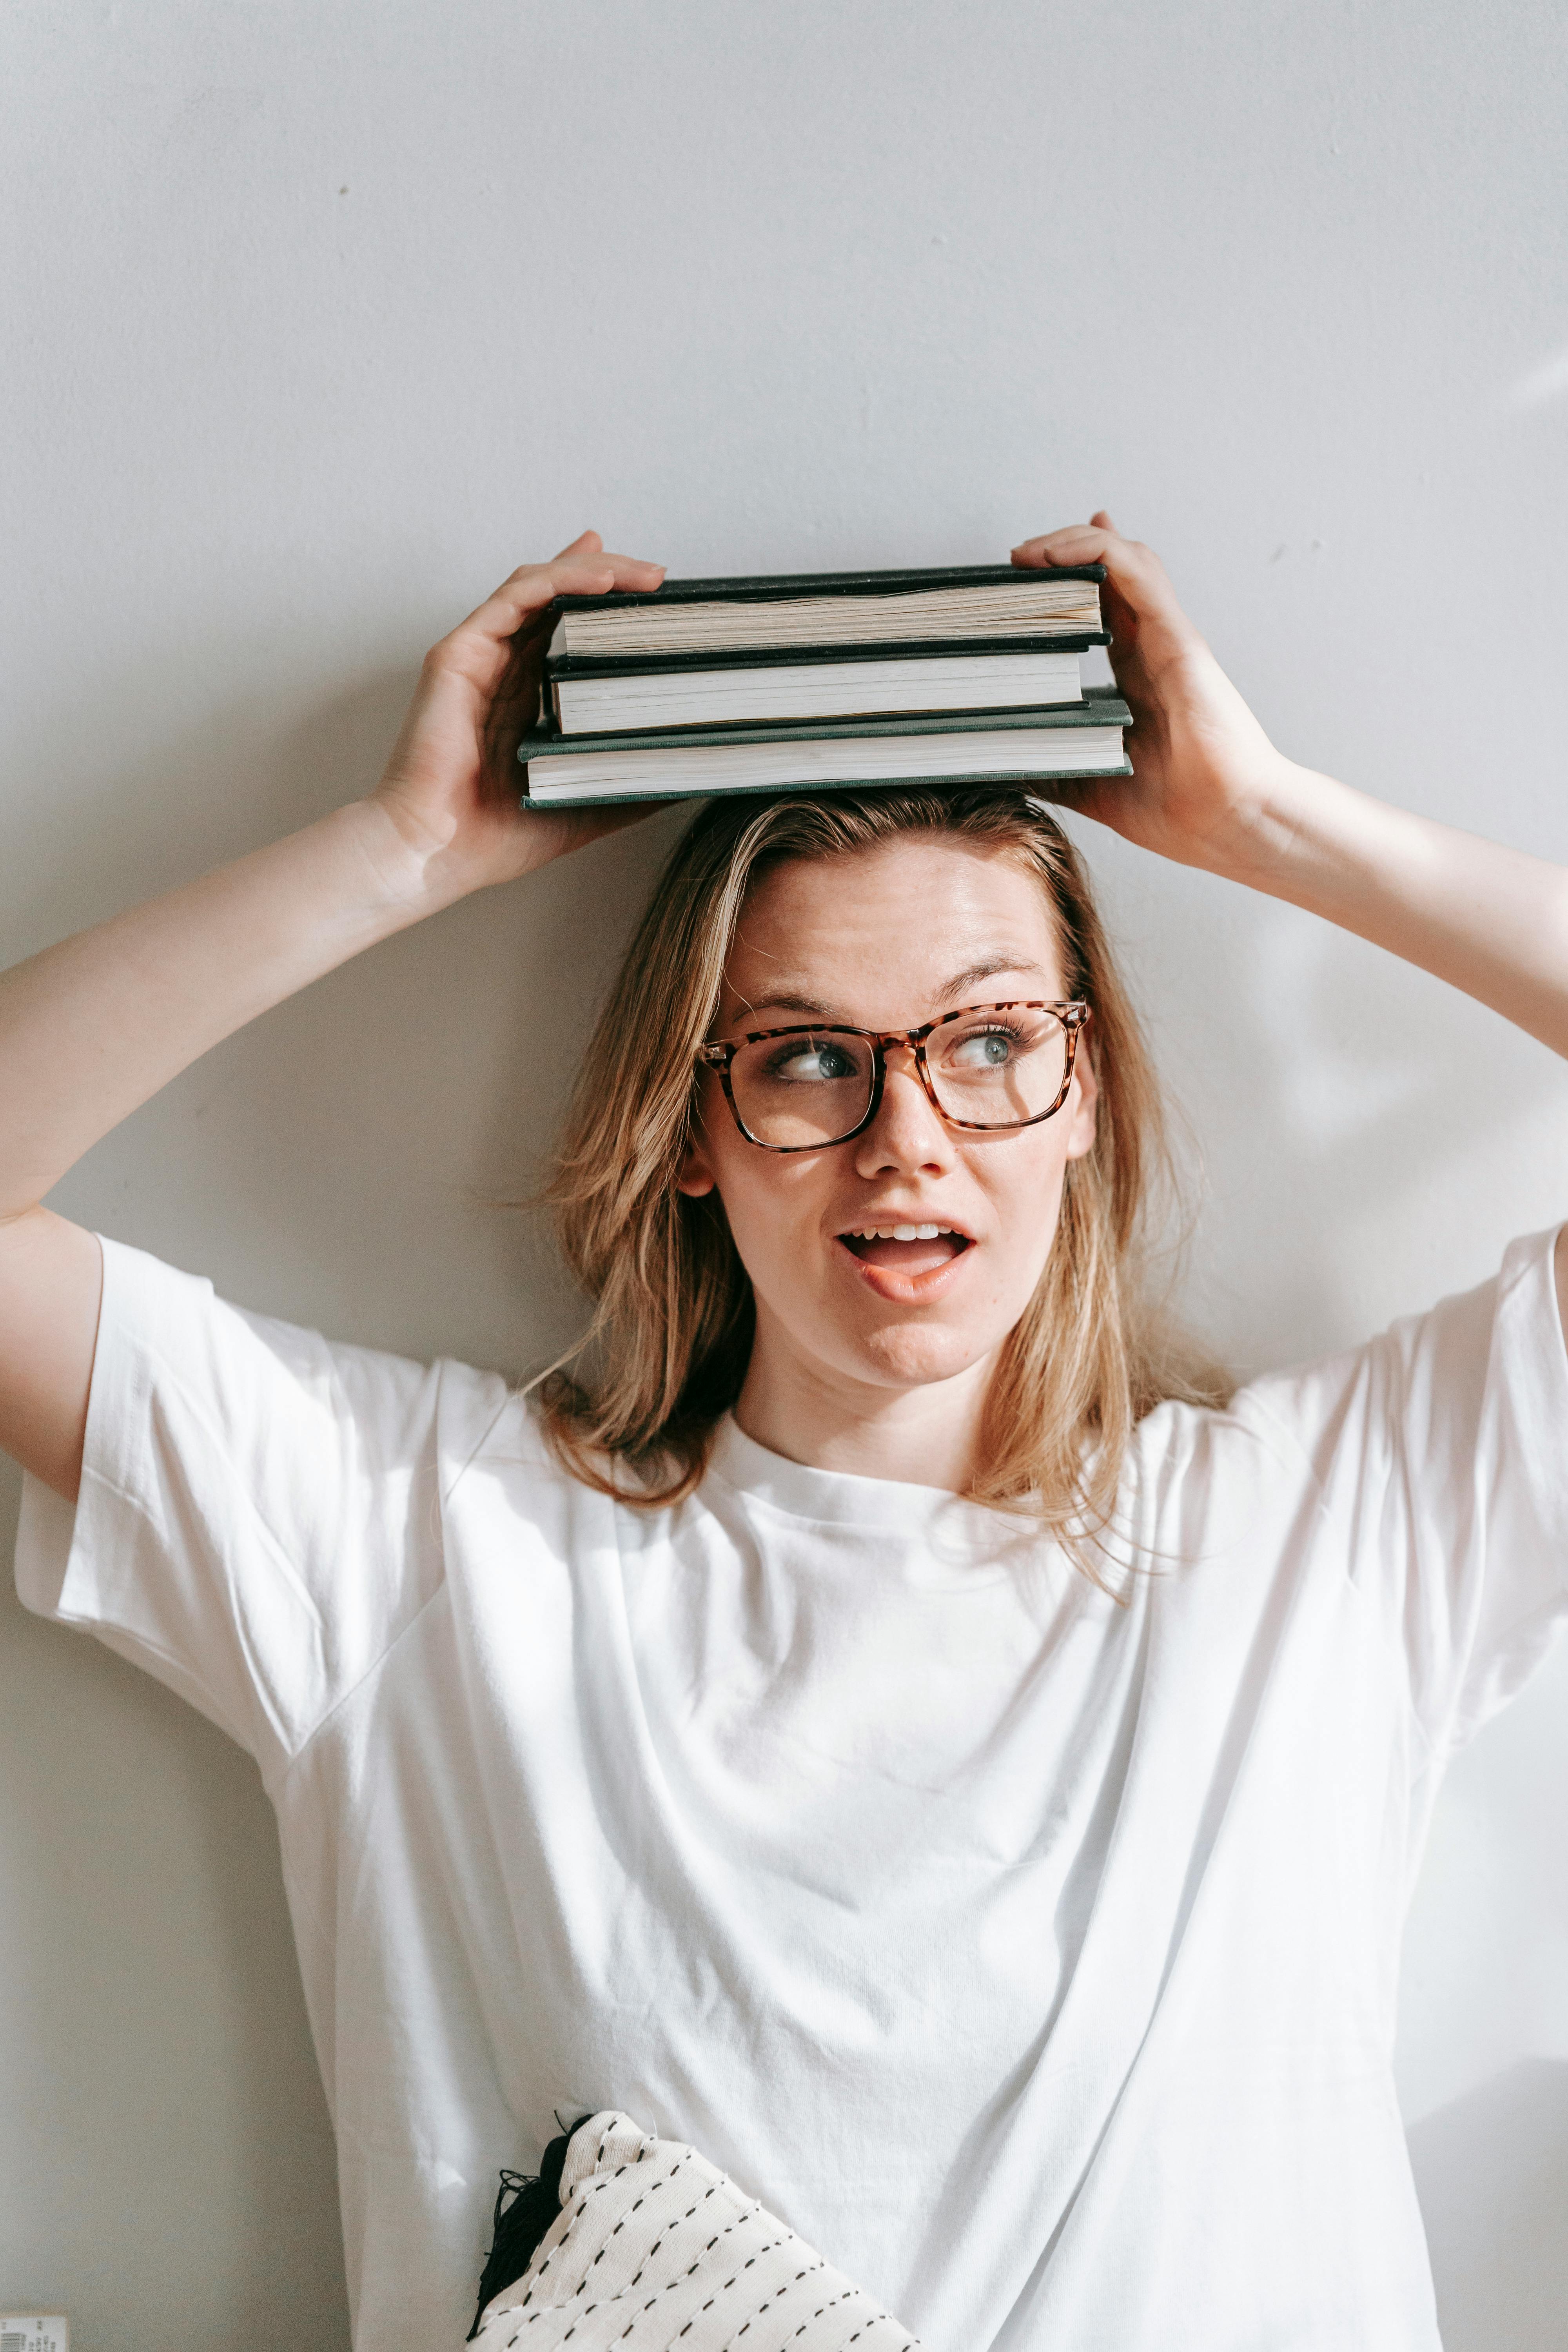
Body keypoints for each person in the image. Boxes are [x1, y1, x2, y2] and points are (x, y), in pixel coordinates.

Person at [2, 517, 1565, 2352]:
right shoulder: (417, 1547)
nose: (909, 1135)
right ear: (690, 1130)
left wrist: (1267, 820)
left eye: (988, 1043)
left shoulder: (1342, 1527)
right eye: (810, 1056)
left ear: (1088, 1096)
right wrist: (402, 851)